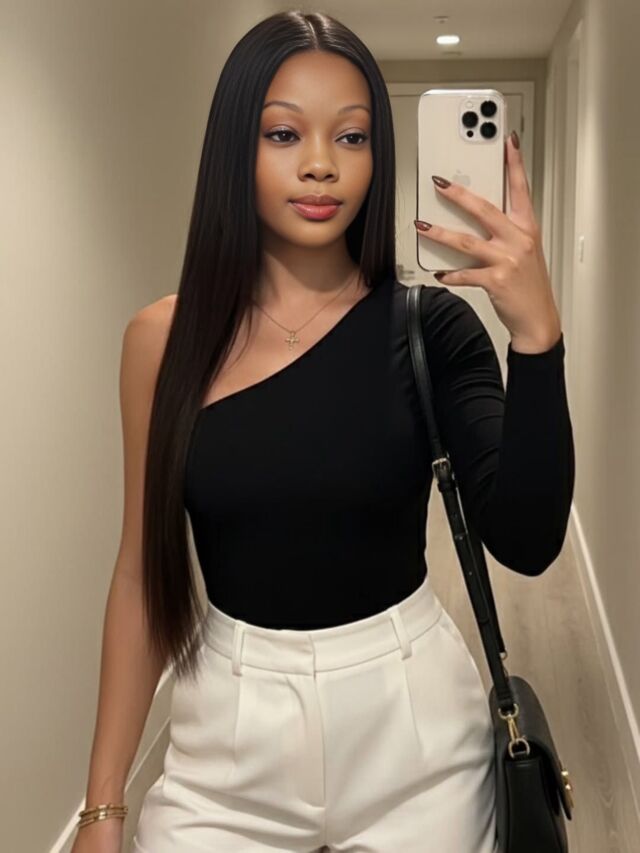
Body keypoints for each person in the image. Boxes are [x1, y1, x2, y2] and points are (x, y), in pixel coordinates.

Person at [73, 9, 574, 853]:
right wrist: (102, 806)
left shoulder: (431, 328)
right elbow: (140, 577)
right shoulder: (163, 341)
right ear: (235, 148)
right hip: (226, 736)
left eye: (351, 136)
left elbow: (527, 541)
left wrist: (537, 337)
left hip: (415, 731)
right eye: (283, 133)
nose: (320, 164)